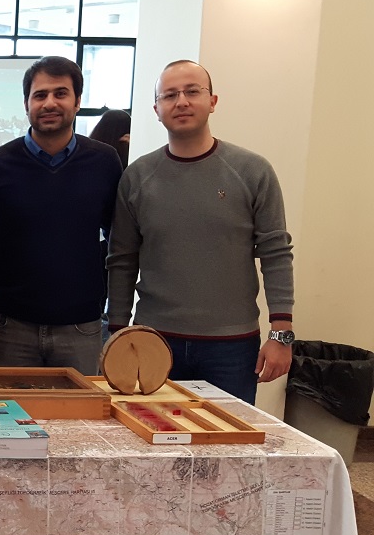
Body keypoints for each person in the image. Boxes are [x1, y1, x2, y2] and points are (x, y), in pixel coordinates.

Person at [107, 59, 294, 404]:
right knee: (152, 434)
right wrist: (117, 331)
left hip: (232, 347)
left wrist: (281, 334)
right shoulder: (137, 177)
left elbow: (276, 253)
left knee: (228, 436)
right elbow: (122, 259)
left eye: (192, 91)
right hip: (154, 341)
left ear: (212, 101)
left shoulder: (252, 171)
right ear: (156, 109)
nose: (181, 102)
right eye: (170, 95)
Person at [0, 56, 122, 374]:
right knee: (7, 408)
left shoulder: (104, 162)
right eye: (40, 95)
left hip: (81, 327)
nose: (50, 103)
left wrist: (116, 315)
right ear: (26, 103)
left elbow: (119, 241)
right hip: (9, 326)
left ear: (77, 101)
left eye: (60, 93)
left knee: (81, 408)